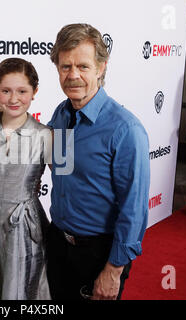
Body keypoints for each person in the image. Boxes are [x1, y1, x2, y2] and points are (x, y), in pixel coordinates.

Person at [46, 23, 150, 300]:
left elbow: (134, 210)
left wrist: (114, 269)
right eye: (65, 67)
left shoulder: (126, 130)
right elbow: (43, 156)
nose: (73, 75)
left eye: (83, 66)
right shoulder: (60, 114)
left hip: (99, 254)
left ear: (101, 68)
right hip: (57, 244)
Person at [0, 58, 51, 300]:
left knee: (23, 288)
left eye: (22, 91)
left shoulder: (48, 134)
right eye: (5, 91)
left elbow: (71, 186)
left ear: (35, 92)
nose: (14, 99)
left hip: (25, 225)